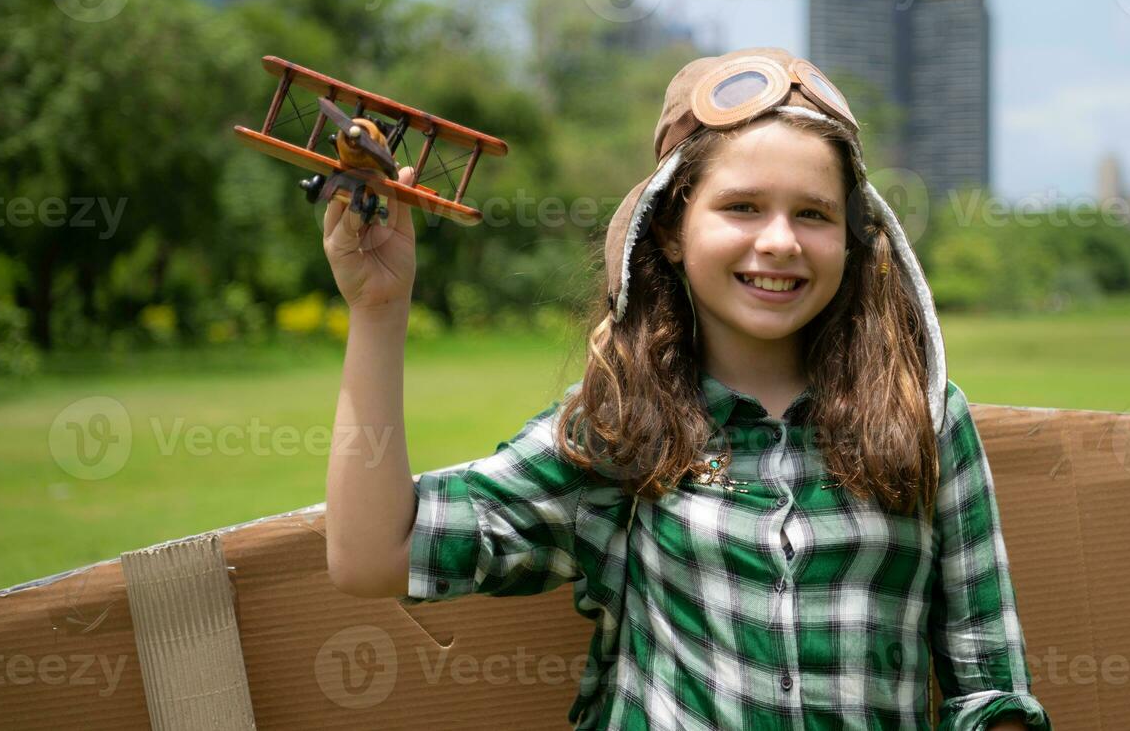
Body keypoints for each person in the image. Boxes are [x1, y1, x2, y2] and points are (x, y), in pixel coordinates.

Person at [322, 47, 1052, 730]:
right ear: (671, 229)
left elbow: (989, 681)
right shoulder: (619, 424)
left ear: (854, 235)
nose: (780, 241)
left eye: (814, 214)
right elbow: (374, 555)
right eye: (741, 207)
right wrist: (379, 312)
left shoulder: (924, 414)